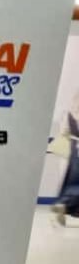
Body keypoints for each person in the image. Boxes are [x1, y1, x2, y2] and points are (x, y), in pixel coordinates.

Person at [52, 90, 79, 225]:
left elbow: (64, 131)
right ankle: (65, 205)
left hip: (73, 149)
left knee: (72, 181)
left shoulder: (69, 113)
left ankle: (63, 204)